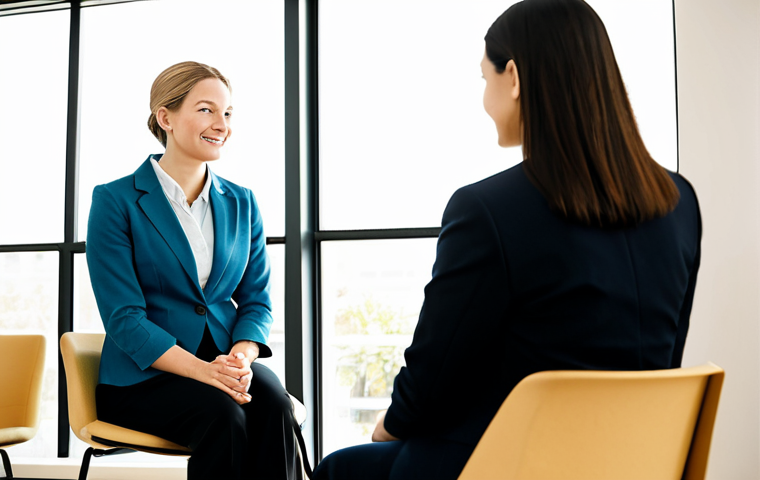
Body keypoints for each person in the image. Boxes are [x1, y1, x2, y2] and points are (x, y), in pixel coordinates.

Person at [313, 0, 701, 479]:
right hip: (638, 462)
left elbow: (434, 378)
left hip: (513, 463)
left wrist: (389, 424)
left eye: (484, 78)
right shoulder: (679, 201)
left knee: (341, 468)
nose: (483, 98)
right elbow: (665, 362)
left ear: (513, 76)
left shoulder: (488, 209)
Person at [87, 61, 304, 480]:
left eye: (227, 113)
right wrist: (204, 371)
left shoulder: (242, 202)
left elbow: (256, 301)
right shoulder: (115, 201)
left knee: (275, 400)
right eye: (206, 110)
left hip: (221, 364)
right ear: (165, 118)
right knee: (221, 412)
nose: (221, 123)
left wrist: (241, 358)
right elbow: (123, 318)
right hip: (143, 378)